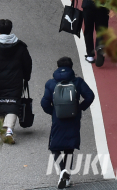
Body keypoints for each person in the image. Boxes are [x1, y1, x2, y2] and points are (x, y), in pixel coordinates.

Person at [41, 56, 95, 189]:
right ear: (71, 67)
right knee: (69, 147)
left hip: (58, 119)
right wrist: (80, 108)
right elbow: (90, 96)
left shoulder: (51, 83)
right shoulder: (78, 82)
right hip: (74, 118)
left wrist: (54, 112)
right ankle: (67, 175)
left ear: (57, 67)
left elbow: (44, 103)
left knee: (55, 146)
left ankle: (62, 171)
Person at [0, 19, 32, 144]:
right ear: (10, 30)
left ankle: (0, 126)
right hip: (15, 81)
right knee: (13, 103)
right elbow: (28, 63)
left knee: (0, 102)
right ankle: (9, 129)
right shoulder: (20, 46)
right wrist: (26, 77)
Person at [72, 0, 109, 67]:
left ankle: (90, 55)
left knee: (88, 30)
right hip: (103, 5)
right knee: (101, 30)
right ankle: (100, 48)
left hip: (88, 5)